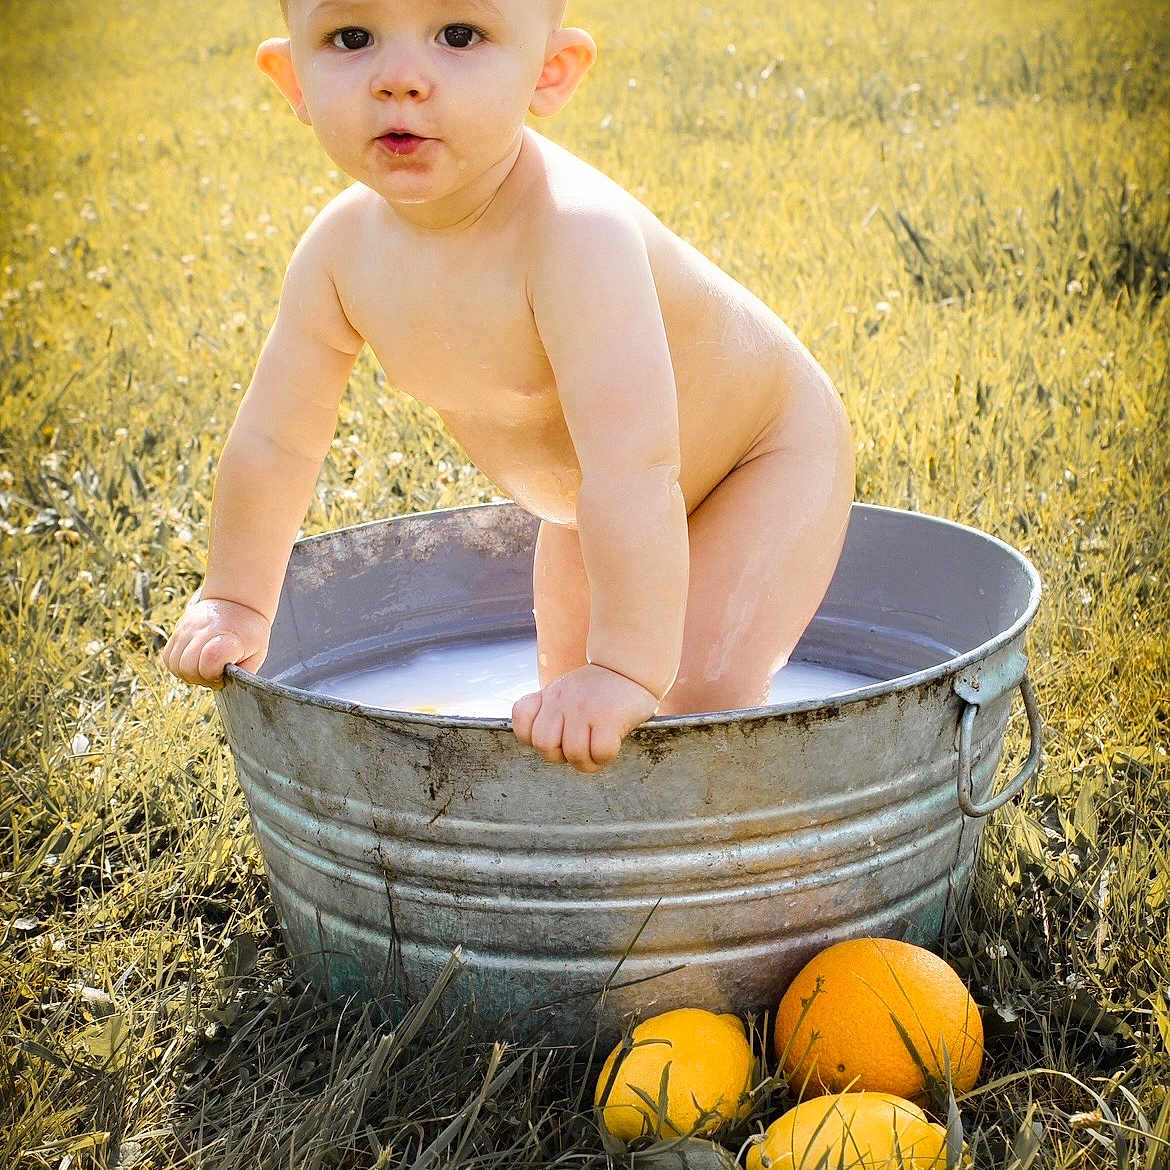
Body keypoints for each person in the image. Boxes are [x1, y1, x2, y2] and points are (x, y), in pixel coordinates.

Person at [162, 0, 855, 773]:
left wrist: (627, 668)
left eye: (460, 35)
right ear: (292, 77)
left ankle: (745, 872)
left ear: (549, 73)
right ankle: (584, 879)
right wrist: (237, 597)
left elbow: (636, 466)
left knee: (691, 697)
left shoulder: (573, 235)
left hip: (761, 454)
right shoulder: (338, 255)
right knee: (564, 716)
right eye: (350, 37)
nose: (400, 80)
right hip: (589, 503)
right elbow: (277, 439)